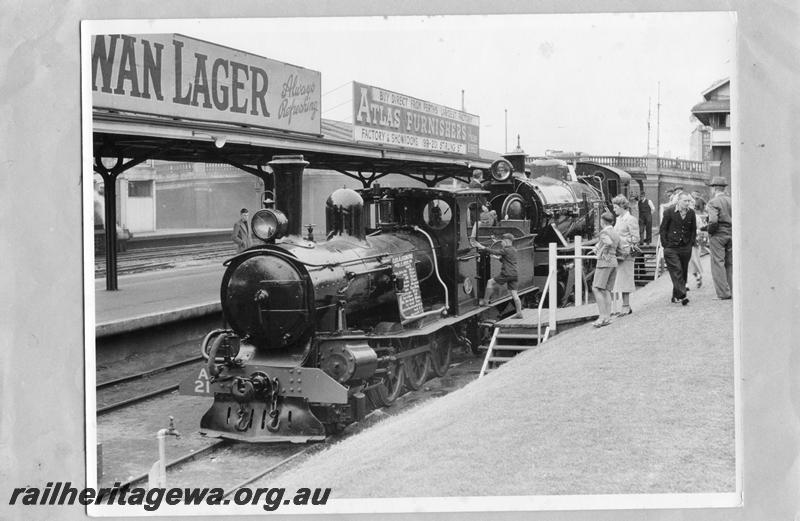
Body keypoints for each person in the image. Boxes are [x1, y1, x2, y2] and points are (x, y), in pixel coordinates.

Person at [471, 233, 523, 319]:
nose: (501, 244)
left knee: (490, 282)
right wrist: (494, 257)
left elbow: (494, 251)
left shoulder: (506, 250)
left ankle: (485, 301)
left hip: (506, 273)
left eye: (502, 242)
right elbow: (503, 259)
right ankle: (519, 313)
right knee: (514, 294)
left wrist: (481, 246)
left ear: (506, 241)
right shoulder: (513, 250)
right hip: (514, 274)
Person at [659, 192, 697, 305]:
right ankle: (682, 294)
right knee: (677, 269)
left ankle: (675, 296)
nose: (688, 203)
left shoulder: (691, 213)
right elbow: (663, 229)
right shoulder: (669, 212)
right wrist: (665, 245)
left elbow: (693, 229)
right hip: (671, 247)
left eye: (689, 201)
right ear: (679, 201)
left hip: (685, 247)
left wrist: (690, 243)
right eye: (685, 201)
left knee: (683, 271)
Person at [702, 176, 732, 300]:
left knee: (718, 263)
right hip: (731, 233)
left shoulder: (713, 202)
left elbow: (713, 221)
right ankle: (733, 290)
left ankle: (723, 293)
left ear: (714, 188)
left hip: (718, 236)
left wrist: (708, 230)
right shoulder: (731, 200)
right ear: (724, 188)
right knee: (730, 263)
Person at [611, 195, 640, 316]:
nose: (614, 209)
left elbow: (636, 238)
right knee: (620, 280)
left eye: (615, 207)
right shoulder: (619, 219)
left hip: (626, 254)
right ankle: (623, 306)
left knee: (626, 279)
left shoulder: (630, 219)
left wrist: (621, 241)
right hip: (618, 253)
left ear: (622, 206)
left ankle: (626, 306)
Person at [591, 211, 620, 327]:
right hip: (613, 261)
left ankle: (602, 317)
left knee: (596, 288)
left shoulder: (604, 232)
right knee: (607, 290)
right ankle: (607, 317)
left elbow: (608, 242)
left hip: (604, 262)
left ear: (602, 222)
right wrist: (598, 247)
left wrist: (600, 252)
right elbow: (614, 244)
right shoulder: (614, 231)